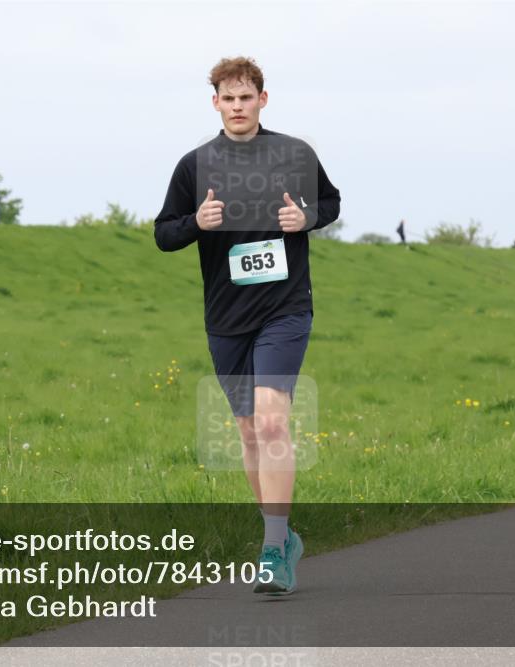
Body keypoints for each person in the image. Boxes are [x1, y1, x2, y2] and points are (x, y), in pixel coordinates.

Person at [153, 56, 341, 596]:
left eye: (246, 97)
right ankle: (280, 534)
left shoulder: (294, 154)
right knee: (249, 432)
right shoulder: (195, 165)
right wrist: (196, 223)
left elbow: (329, 201)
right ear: (215, 103)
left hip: (285, 308)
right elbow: (164, 233)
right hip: (226, 317)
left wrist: (306, 218)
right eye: (227, 98)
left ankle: (274, 549)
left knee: (274, 422)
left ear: (263, 98)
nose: (238, 106)